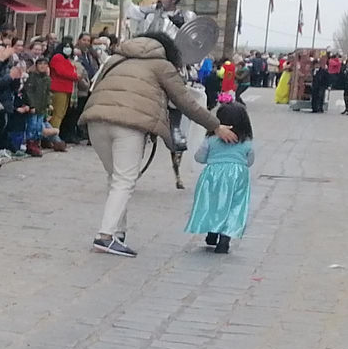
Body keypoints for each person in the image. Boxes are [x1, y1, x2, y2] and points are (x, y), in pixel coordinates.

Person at [79, 31, 235, 257]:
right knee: (124, 179)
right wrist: (216, 125)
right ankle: (105, 236)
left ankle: (117, 232)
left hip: (95, 119)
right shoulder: (162, 66)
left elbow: (96, 87)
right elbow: (185, 102)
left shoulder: (115, 59)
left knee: (115, 177)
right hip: (130, 123)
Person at [186, 100, 253, 255]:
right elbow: (249, 161)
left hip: (213, 175)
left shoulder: (210, 140)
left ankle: (212, 232)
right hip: (238, 175)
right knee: (234, 206)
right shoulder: (247, 143)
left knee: (213, 203)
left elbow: (199, 157)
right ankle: (224, 240)